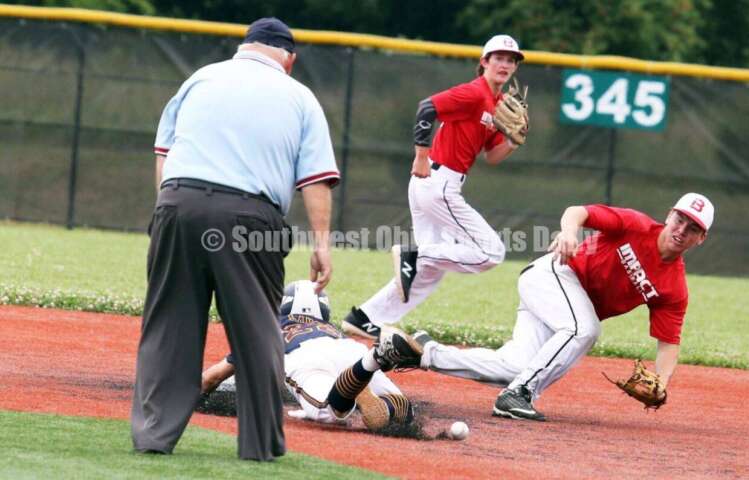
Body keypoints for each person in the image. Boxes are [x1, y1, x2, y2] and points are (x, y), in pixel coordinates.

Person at [131, 17, 339, 461]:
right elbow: (316, 180)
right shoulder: (299, 95)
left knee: (168, 324)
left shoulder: (200, 78)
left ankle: (153, 435)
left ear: (243, 47)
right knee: (257, 327)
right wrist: (322, 243)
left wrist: (166, 213)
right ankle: (260, 445)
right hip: (248, 216)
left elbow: (164, 155)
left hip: (177, 203)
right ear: (290, 58)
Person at [409, 193, 714, 421]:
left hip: (562, 308)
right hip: (555, 275)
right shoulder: (635, 225)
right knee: (585, 329)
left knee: (514, 369)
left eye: (692, 227)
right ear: (669, 214)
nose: (682, 229)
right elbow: (577, 212)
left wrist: (662, 381)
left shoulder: (674, 287)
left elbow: (668, 342)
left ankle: (423, 352)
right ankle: (520, 395)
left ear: (701, 238)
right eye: (680, 219)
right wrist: (569, 232)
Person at [343, 34, 527, 340]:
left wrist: (512, 140)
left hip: (434, 184)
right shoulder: (473, 93)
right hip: (438, 182)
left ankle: (364, 318)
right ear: (484, 62)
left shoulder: (496, 105)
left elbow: (493, 156)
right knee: (491, 252)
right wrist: (421, 156)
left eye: (511, 60)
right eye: (499, 58)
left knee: (428, 273)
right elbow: (427, 107)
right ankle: (413, 255)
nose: (505, 64)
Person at [200, 280, 422, 431]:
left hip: (304, 358)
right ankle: (375, 358)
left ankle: (365, 371)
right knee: (406, 415)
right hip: (350, 350)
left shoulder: (266, 327)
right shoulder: (330, 328)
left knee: (330, 411)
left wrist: (190, 398)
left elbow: (213, 378)